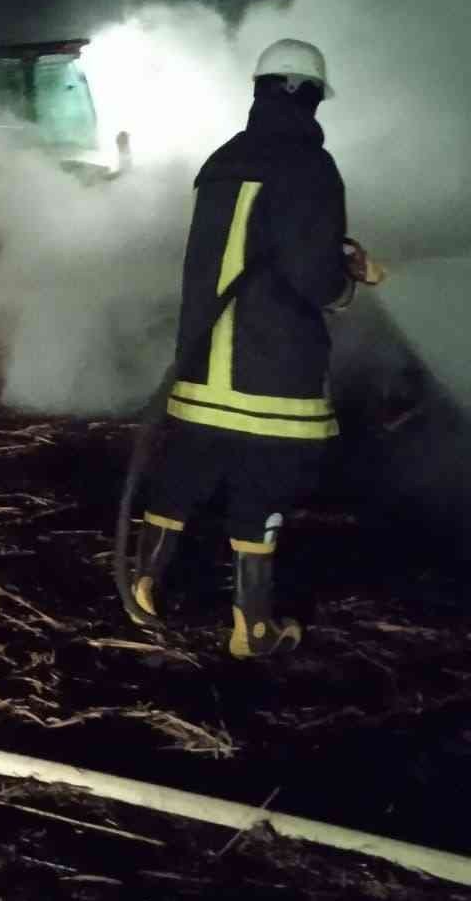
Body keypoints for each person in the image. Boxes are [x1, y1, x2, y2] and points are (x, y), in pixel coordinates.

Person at [130, 40, 383, 658]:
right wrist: (349, 271)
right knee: (261, 489)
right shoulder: (309, 167)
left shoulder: (221, 162)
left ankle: (142, 589)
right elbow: (311, 277)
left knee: (183, 476)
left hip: (200, 367)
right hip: (269, 372)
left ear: (260, 91)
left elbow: (245, 250)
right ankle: (252, 630)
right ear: (313, 96)